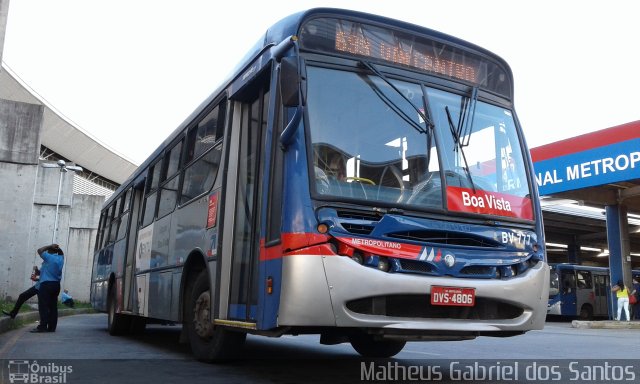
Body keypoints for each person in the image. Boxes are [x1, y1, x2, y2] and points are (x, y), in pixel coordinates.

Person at [32, 243, 64, 333]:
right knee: (53, 307)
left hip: (46, 285)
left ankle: (42, 326)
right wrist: (58, 248)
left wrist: (49, 246)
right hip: (56, 285)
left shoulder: (48, 257)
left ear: (50, 251)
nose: (46, 251)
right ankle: (52, 327)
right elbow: (61, 253)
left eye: (48, 250)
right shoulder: (61, 258)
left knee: (43, 306)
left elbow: (39, 250)